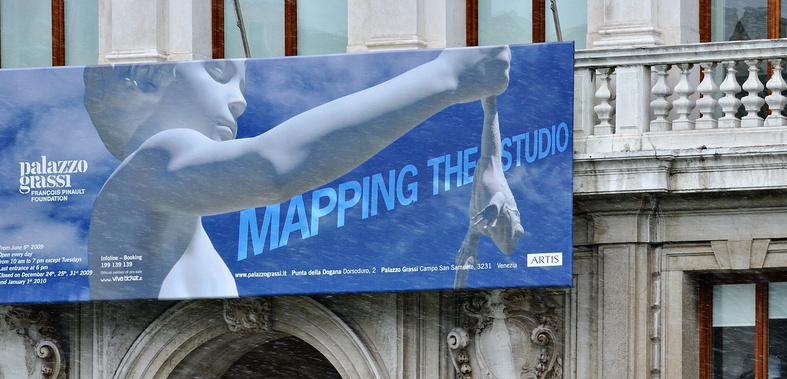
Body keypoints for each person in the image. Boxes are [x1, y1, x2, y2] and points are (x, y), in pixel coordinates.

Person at [81, 45, 513, 299]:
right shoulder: (148, 167)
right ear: (145, 75)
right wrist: (449, 75)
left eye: (242, 87)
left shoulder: (175, 226)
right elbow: (271, 169)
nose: (239, 102)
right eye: (219, 73)